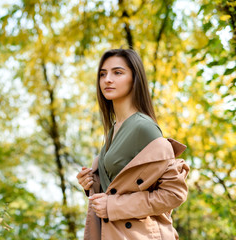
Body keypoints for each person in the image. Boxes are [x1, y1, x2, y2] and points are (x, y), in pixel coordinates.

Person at [76, 49, 189, 240]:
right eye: (102, 74)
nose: (107, 79)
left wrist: (113, 206)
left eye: (117, 72)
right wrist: (91, 183)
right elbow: (125, 185)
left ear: (134, 78)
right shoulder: (114, 129)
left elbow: (173, 194)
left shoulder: (144, 128)